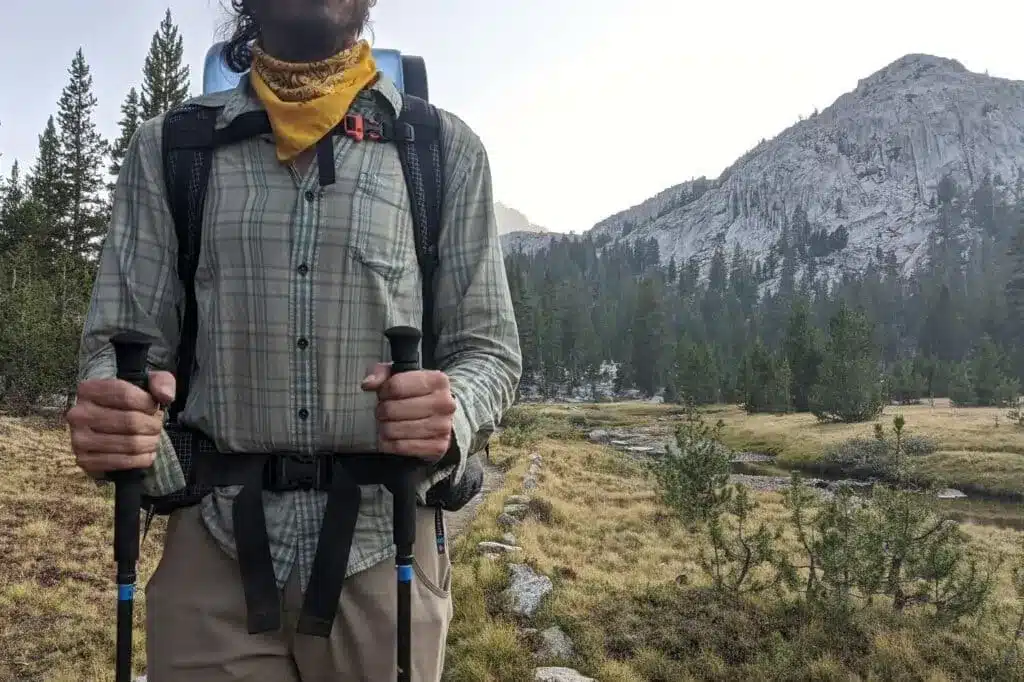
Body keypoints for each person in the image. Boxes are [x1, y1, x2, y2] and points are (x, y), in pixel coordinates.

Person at [65, 0, 522, 679]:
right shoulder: (171, 150)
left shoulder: (441, 152)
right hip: (210, 550)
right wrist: (115, 413)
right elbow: (118, 344)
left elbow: (490, 349)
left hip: (384, 543)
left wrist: (449, 414)